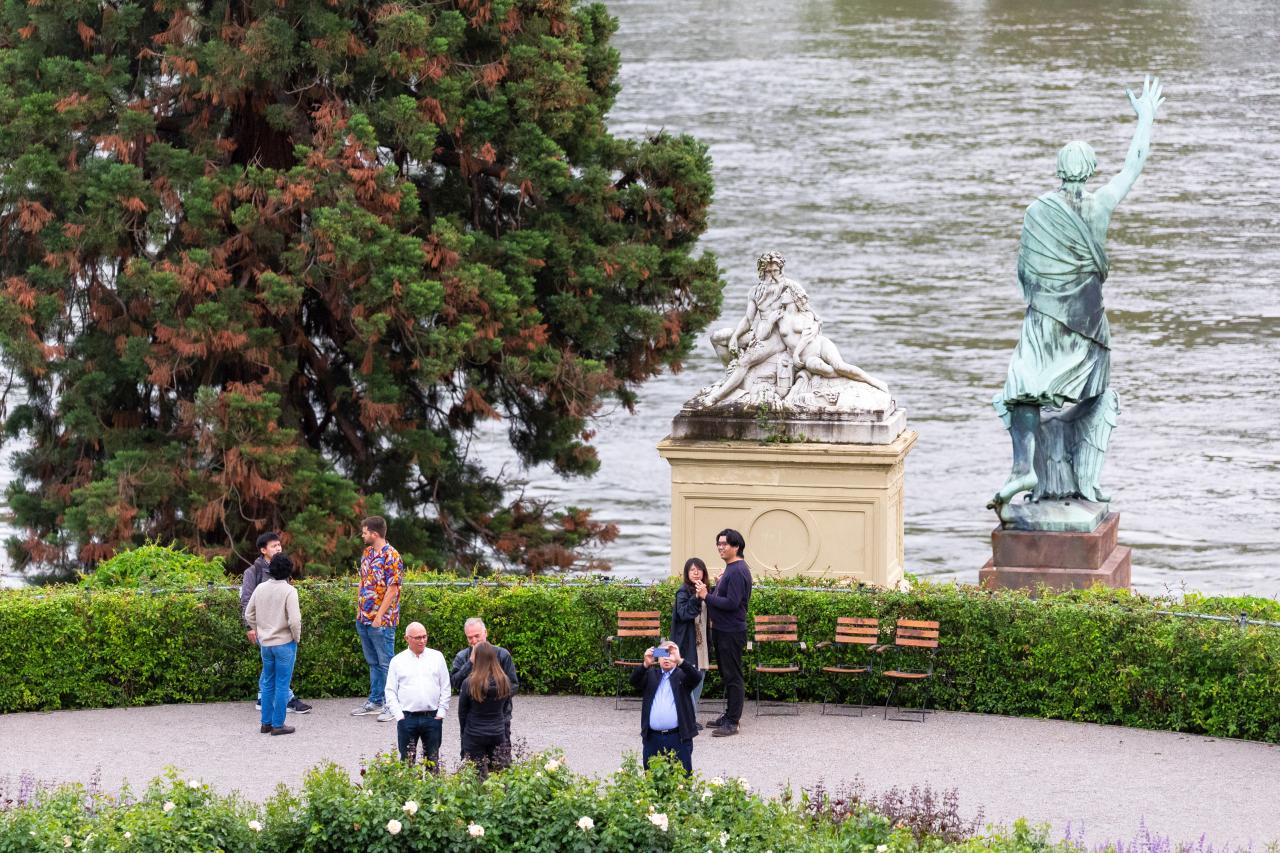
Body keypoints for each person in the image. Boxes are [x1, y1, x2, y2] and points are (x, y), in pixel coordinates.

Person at [990, 77, 1164, 511]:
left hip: (1044, 320)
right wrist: (1145, 119)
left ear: (1059, 169)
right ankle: (1073, 474)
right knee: (1091, 394)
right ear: (1090, 170)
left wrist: (1039, 296)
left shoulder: (1037, 210)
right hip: (1087, 326)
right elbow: (1133, 166)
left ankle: (1024, 468)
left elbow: (1024, 271)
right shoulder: (1099, 205)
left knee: (1022, 385)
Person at [241, 532, 311, 715]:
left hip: (276, 631)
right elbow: (246, 601)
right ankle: (284, 704)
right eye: (274, 546)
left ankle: (264, 699)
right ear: (263, 550)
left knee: (270, 667)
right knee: (280, 671)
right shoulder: (253, 572)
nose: (278, 548)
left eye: (279, 545)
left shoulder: (281, 567)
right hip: (269, 632)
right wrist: (251, 627)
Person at [697, 528, 752, 737]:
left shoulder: (737, 570)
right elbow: (726, 597)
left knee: (733, 676)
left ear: (736, 546)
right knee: (727, 675)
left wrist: (706, 596)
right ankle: (729, 715)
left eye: (725, 544)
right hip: (722, 629)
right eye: (718, 544)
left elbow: (732, 603)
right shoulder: (731, 568)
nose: (720, 547)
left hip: (731, 631)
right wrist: (716, 586)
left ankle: (733, 721)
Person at [351, 516, 403, 723]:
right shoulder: (367, 553)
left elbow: (393, 589)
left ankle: (392, 705)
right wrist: (359, 610)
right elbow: (363, 581)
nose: (362, 535)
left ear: (374, 534)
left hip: (383, 620)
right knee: (373, 662)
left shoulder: (392, 556)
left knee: (386, 663)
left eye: (365, 532)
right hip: (364, 618)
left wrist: (379, 616)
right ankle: (376, 701)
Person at [244, 553, 302, 736]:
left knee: (267, 683)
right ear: (289, 571)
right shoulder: (289, 591)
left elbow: (248, 614)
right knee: (282, 685)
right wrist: (296, 637)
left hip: (266, 644)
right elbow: (295, 621)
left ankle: (266, 723)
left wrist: (259, 630)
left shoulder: (260, 588)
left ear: (270, 569)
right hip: (285, 643)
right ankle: (278, 725)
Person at [384, 621, 451, 769]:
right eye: (417, 638)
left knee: (433, 761)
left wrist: (441, 712)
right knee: (407, 763)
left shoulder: (437, 657)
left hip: (432, 717)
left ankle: (434, 784)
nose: (422, 641)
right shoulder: (397, 661)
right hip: (407, 718)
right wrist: (399, 716)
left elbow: (445, 686)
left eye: (424, 636)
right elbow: (390, 691)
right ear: (407, 638)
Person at [630, 640, 702, 773]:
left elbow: (696, 677)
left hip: (678, 737)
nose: (666, 658)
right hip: (653, 738)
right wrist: (645, 664)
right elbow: (633, 681)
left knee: (681, 778)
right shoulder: (651, 674)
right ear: (658, 658)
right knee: (652, 778)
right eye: (663, 654)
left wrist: (680, 661)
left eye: (670, 654)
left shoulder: (682, 675)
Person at [450, 618, 518, 750]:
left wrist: (493, 700)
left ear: (485, 633)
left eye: (477, 636)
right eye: (470, 637)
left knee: (501, 759)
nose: (474, 640)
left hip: (500, 719)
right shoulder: (462, 657)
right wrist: (470, 663)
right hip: (473, 723)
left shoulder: (502, 655)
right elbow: (455, 683)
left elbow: (514, 685)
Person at [456, 642, 515, 774]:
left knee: (478, 774)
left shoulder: (469, 683)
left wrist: (464, 733)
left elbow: (462, 712)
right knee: (498, 773)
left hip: (474, 734)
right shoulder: (504, 681)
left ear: (475, 658)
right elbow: (505, 707)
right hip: (497, 732)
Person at [671, 558, 711, 727]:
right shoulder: (682, 592)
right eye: (692, 570)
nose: (696, 572)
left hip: (702, 644)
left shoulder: (706, 590)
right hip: (687, 643)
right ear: (687, 573)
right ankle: (688, 720)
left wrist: (719, 585)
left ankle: (689, 717)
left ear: (704, 572)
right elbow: (684, 614)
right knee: (689, 679)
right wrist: (696, 597)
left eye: (699, 569)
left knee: (700, 678)